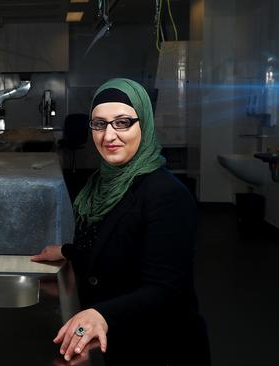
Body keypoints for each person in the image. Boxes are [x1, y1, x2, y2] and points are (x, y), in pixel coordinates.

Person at [32, 78, 210, 365]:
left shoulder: (167, 195)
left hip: (163, 348)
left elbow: (164, 289)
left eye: (123, 122)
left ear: (145, 125)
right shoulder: (100, 185)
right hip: (123, 341)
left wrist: (101, 314)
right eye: (99, 124)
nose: (108, 136)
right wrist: (68, 251)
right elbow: (113, 248)